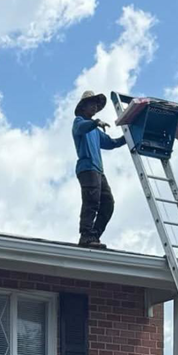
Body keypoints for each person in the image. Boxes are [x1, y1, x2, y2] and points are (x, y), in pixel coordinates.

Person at [72, 90, 126, 249]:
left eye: (97, 105)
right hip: (87, 169)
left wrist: (128, 138)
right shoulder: (79, 121)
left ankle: (93, 235)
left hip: (98, 171)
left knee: (108, 203)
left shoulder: (95, 131)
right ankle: (85, 236)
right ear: (83, 107)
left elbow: (112, 143)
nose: (95, 107)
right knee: (91, 201)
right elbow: (81, 127)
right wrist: (95, 122)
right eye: (92, 104)